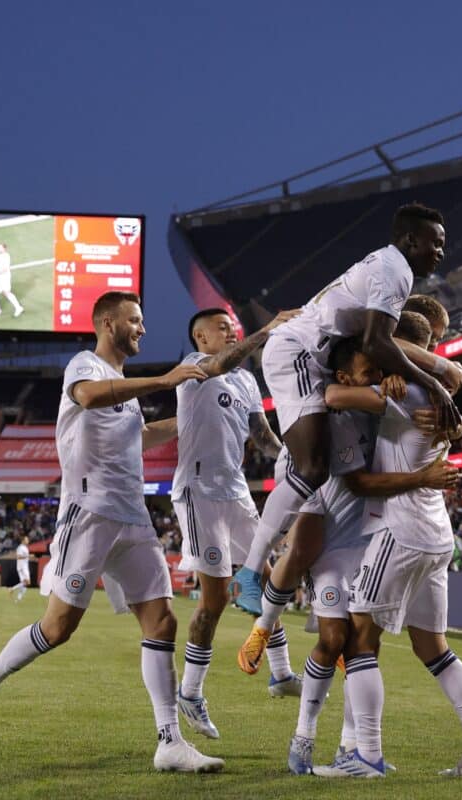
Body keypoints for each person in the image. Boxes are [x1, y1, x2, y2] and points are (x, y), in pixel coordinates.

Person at [0, 291, 224, 771]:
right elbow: (89, 397)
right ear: (107, 322)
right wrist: (165, 378)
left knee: (161, 621)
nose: (142, 328)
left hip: (133, 517)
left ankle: (168, 742)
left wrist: (190, 420)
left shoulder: (121, 382)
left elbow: (138, 437)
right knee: (58, 629)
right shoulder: (85, 367)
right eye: (134, 320)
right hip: (89, 514)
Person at [231, 204, 462, 620]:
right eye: (436, 243)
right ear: (411, 240)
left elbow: (381, 344)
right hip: (300, 356)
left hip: (308, 360)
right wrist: (435, 378)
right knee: (312, 468)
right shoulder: (395, 272)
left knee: (311, 475)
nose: (441, 252)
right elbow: (378, 343)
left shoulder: (388, 267)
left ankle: (260, 594)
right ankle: (251, 573)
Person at [311, 315, 462, 779]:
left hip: (400, 531)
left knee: (360, 640)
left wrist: (397, 376)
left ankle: (367, 757)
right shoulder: (437, 397)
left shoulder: (402, 394)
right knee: (432, 646)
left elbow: (332, 395)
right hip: (437, 533)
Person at [284, 316, 461, 775]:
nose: (381, 374)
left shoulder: (391, 399)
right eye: (374, 367)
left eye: (383, 364)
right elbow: (358, 481)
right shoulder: (340, 416)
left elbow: (452, 379)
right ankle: (304, 737)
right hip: (338, 543)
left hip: (380, 540)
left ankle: (353, 749)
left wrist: (422, 387)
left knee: (363, 645)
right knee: (335, 640)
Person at [171, 306, 299, 740]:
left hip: (236, 492)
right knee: (215, 600)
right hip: (198, 493)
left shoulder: (245, 380)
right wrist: (265, 331)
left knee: (267, 583)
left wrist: (294, 459)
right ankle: (190, 692)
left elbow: (261, 435)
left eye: (233, 327)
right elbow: (223, 363)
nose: (230, 332)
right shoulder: (193, 367)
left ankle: (280, 674)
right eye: (221, 328)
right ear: (201, 338)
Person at [0, 243, 24, 319]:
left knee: (5, 293)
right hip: (1, 277)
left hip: (4, 277)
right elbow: (0, 262)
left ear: (4, 249)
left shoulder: (6, 256)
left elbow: (5, 269)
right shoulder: (1, 255)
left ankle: (18, 308)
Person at [7, 535, 31, 601]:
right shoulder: (20, 548)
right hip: (22, 567)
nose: (28, 540)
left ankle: (18, 599)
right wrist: (28, 556)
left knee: (24, 583)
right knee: (27, 582)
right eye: (26, 539)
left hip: (24, 566)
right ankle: (12, 589)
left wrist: (28, 557)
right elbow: (18, 557)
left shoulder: (25, 547)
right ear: (23, 541)